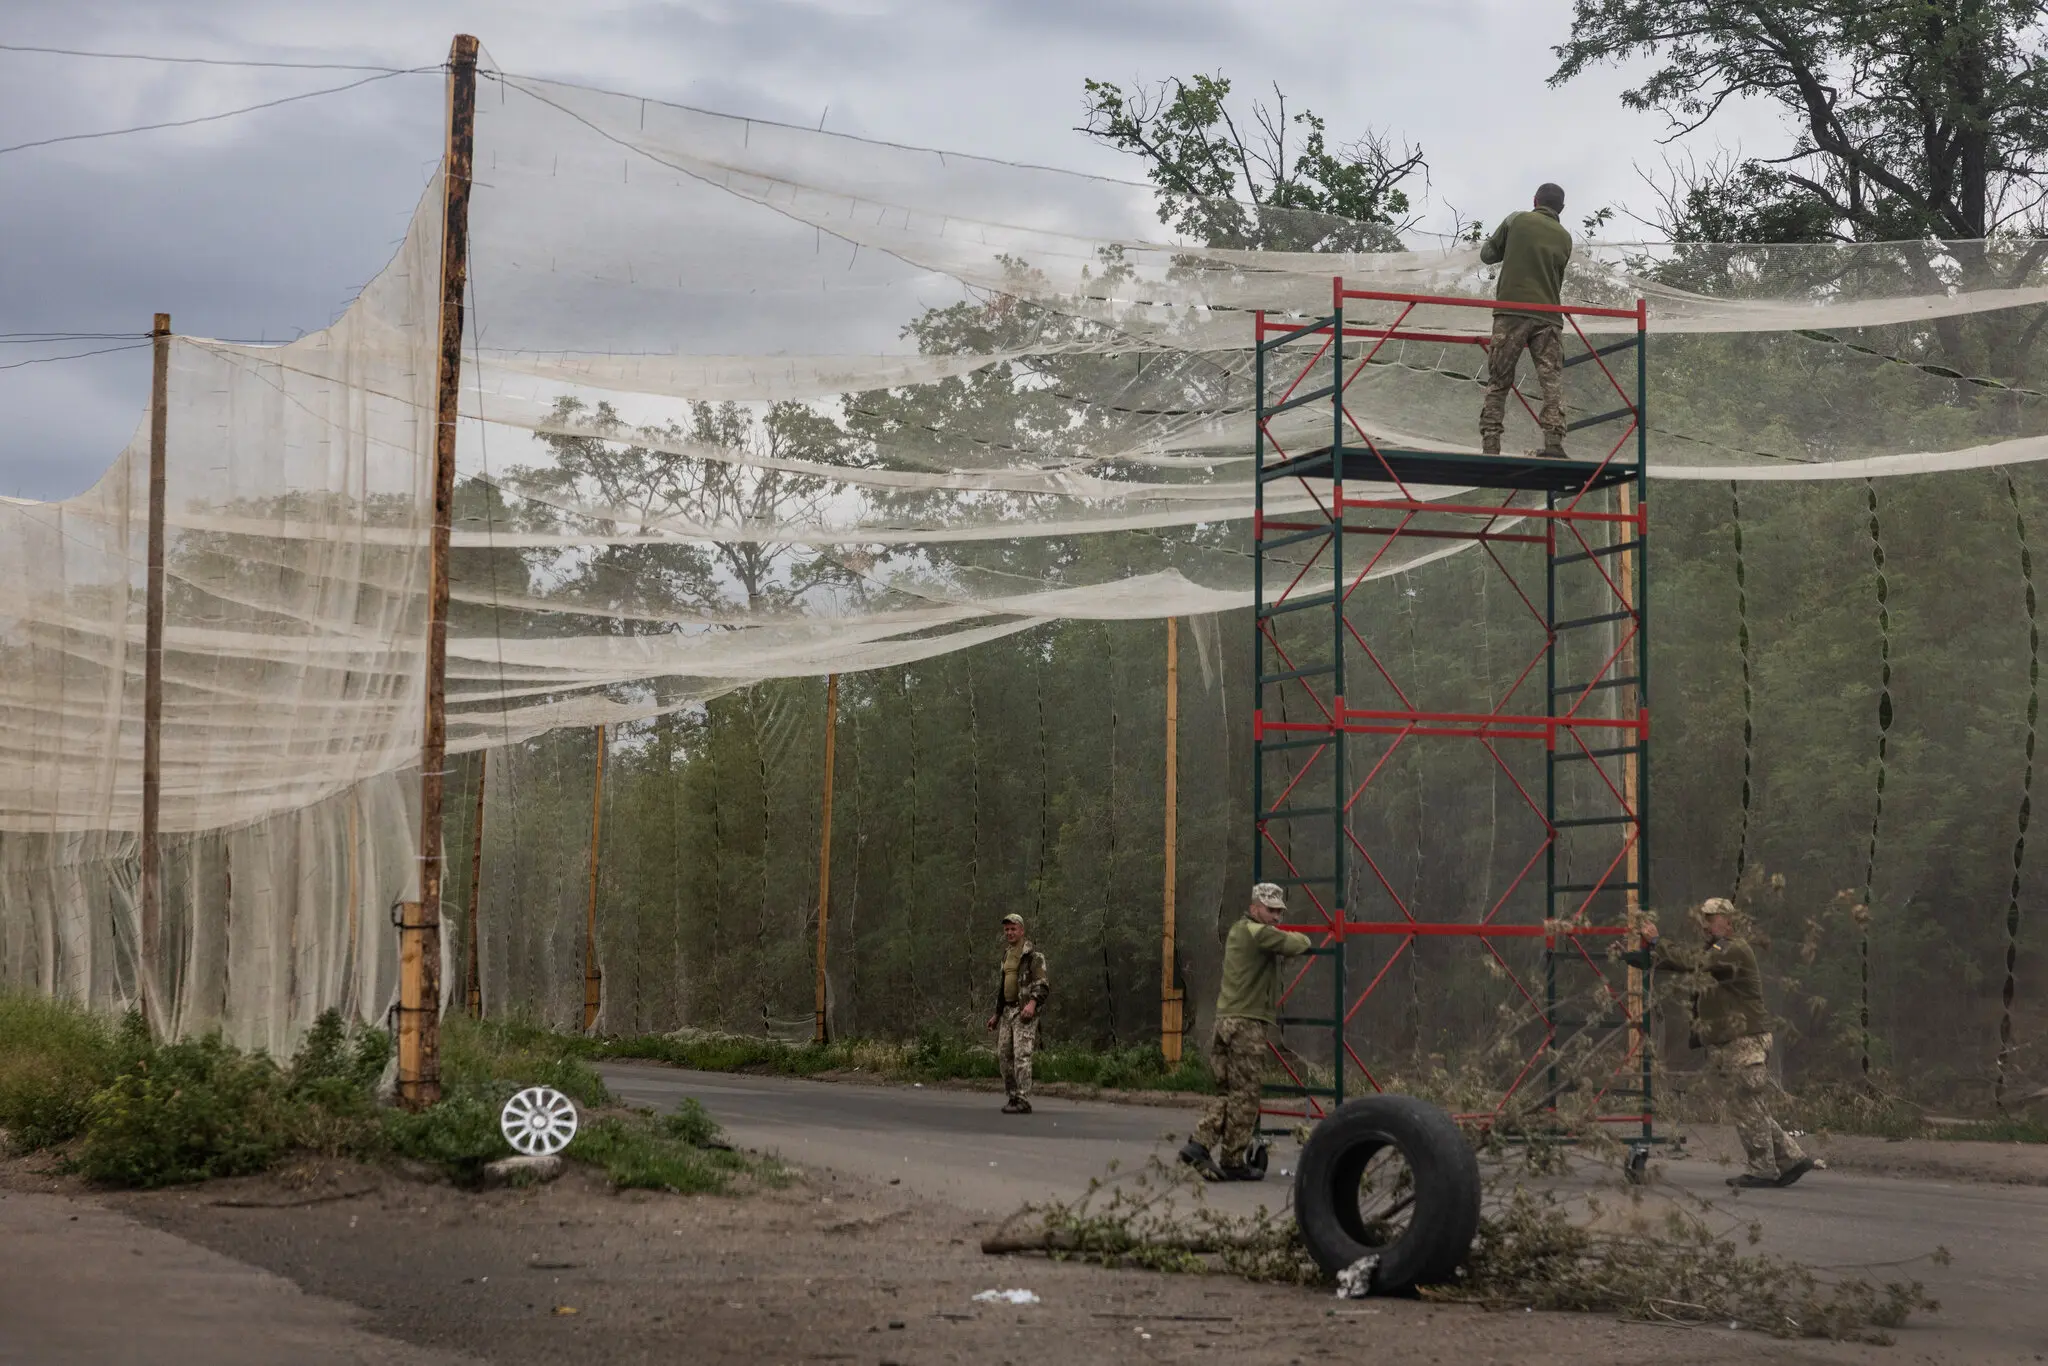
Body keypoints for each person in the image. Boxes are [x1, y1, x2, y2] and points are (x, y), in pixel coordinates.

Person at [1626, 898, 1817, 1189]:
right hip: (1731, 1041)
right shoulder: (1718, 951)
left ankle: (1763, 1169)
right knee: (1749, 1104)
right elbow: (1686, 962)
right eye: (1704, 919)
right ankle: (1791, 1158)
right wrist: (1643, 956)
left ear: (1729, 921)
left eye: (1711, 918)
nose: (1705, 925)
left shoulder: (1734, 949)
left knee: (1746, 1103)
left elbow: (1694, 962)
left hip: (1743, 1040)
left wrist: (1657, 941)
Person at [1179, 882, 1313, 1180]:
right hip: (1245, 1024)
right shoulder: (1258, 932)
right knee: (1246, 1095)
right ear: (1254, 908)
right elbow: (1298, 943)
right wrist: (1299, 936)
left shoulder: (1240, 930)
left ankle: (1218, 1153)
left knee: (1231, 1092)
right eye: (1270, 910)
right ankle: (1210, 1149)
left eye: (1279, 911)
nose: (1276, 916)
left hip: (1226, 1020)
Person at [1478, 182, 1574, 459]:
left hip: (1511, 311)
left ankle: (1491, 444)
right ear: (1561, 208)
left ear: (1535, 200)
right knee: (1551, 381)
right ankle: (1554, 443)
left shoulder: (1516, 220)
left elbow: (1487, 255)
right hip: (1549, 316)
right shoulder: (1565, 237)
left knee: (1499, 378)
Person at [985, 912, 1049, 1114]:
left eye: (1013, 929)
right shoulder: (1007, 955)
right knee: (1004, 1055)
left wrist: (1032, 1004)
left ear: (1022, 931)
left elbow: (1042, 985)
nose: (1010, 933)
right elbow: (1003, 987)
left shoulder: (1034, 956)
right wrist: (996, 1014)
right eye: (1007, 929)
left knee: (1022, 1055)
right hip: (1007, 1010)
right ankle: (1012, 1096)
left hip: (1024, 1012)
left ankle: (1023, 1098)